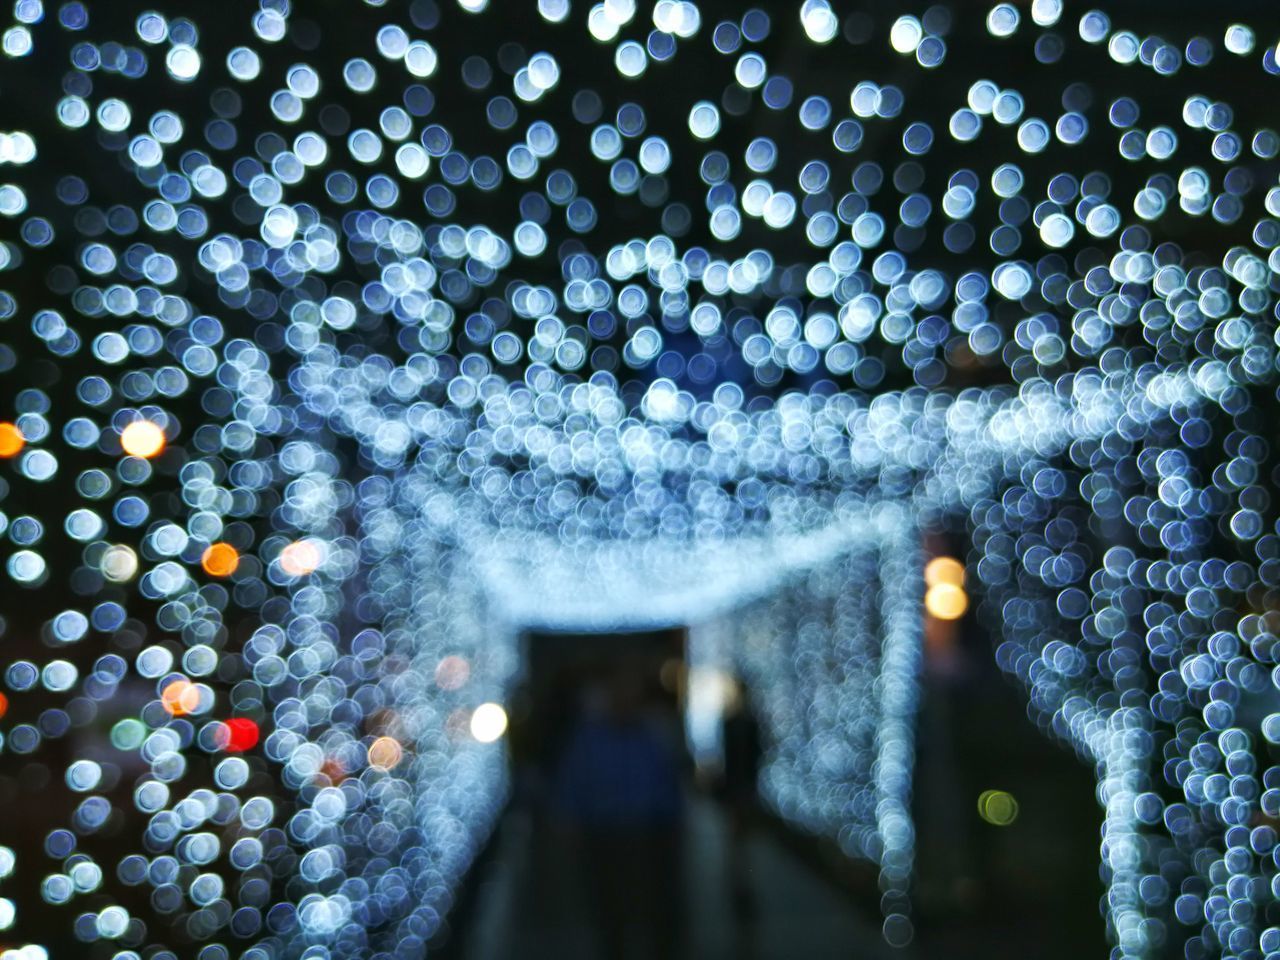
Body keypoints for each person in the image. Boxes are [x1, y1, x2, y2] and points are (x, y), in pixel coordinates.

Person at [552, 666, 685, 959]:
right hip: (604, 834)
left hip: (644, 833)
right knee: (608, 909)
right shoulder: (589, 738)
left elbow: (666, 783)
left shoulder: (650, 737)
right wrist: (570, 823)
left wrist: (671, 824)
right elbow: (572, 784)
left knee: (650, 908)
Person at [717, 681, 763, 919]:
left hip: (744, 788)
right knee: (738, 838)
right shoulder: (732, 723)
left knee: (743, 838)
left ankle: (743, 881)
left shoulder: (746, 723)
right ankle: (740, 881)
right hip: (738, 788)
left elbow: (757, 754)